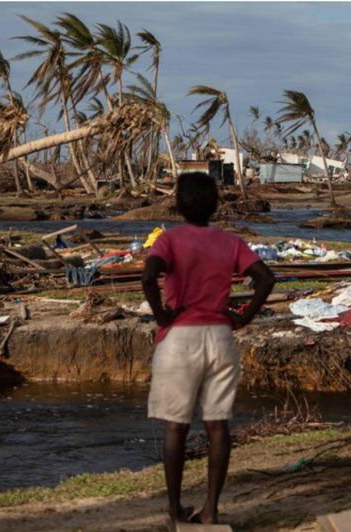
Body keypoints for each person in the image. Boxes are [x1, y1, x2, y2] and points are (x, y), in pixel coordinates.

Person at [141, 172, 275, 526]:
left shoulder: (169, 240)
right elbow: (266, 278)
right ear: (216, 204)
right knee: (218, 426)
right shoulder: (230, 242)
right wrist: (243, 317)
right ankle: (211, 509)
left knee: (176, 428)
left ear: (178, 205)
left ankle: (174, 511)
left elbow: (148, 276)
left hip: (179, 339)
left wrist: (162, 315)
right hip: (219, 336)